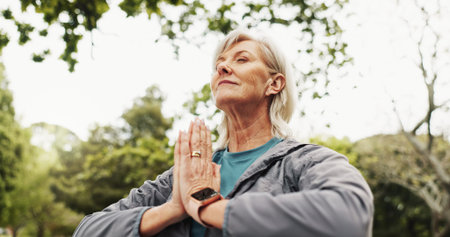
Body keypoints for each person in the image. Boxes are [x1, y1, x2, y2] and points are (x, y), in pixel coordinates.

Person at [73, 29, 374, 237]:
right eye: (219, 65)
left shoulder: (304, 162)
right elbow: (87, 230)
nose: (223, 69)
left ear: (274, 84)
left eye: (241, 59)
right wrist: (173, 209)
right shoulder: (184, 176)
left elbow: (348, 216)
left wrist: (209, 208)